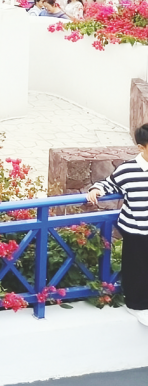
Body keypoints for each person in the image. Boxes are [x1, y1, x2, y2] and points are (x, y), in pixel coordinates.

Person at [87, 124, 148, 324]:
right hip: (136, 229)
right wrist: (96, 189)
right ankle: (136, 305)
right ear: (141, 147)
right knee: (137, 268)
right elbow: (109, 183)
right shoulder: (128, 170)